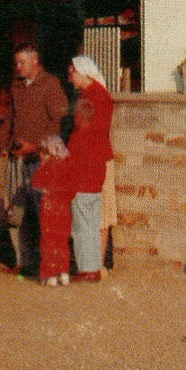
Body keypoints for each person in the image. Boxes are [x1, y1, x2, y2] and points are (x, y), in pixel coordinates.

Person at [0, 43, 69, 276]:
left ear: (35, 61)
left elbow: (58, 123)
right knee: (16, 211)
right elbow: (10, 119)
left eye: (23, 62)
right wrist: (0, 143)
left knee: (41, 210)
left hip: (40, 159)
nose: (18, 67)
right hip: (17, 158)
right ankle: (23, 261)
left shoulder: (51, 84)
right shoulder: (16, 86)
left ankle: (46, 263)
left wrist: (37, 146)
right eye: (16, 62)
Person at [67, 54, 114, 282]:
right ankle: (92, 266)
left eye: (72, 73)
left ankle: (91, 267)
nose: (70, 78)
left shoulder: (96, 95)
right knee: (91, 218)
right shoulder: (89, 94)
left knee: (92, 219)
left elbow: (91, 135)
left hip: (90, 165)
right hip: (94, 164)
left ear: (82, 72)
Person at [30, 135, 75, 286]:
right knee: (62, 240)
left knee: (49, 241)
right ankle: (64, 273)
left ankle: (51, 275)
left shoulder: (48, 166)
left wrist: (42, 166)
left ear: (47, 152)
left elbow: (35, 183)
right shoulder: (68, 165)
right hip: (64, 208)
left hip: (49, 207)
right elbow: (73, 188)